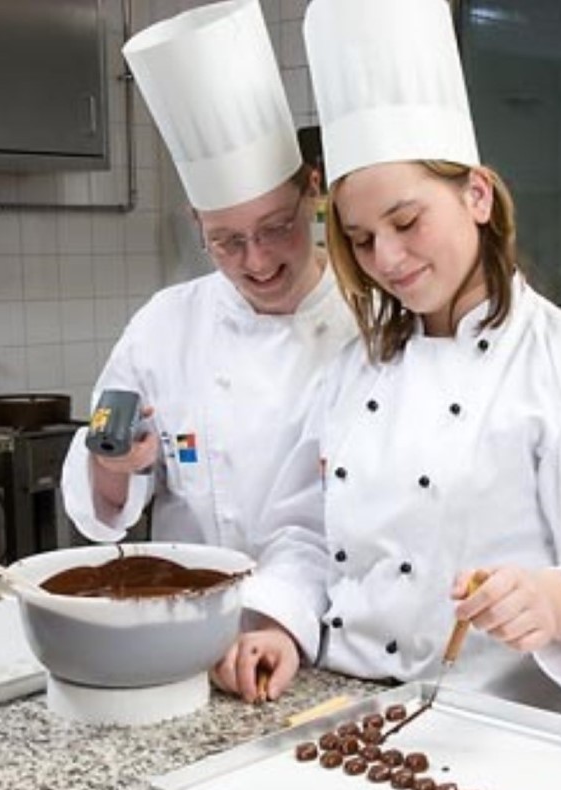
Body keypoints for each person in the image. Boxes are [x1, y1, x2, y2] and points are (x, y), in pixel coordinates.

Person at [230, 0, 561, 719]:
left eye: (407, 221)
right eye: (361, 239)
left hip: (509, 733)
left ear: (476, 195)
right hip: (343, 714)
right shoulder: (351, 372)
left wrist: (553, 599)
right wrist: (279, 625)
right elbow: (307, 535)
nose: (388, 259)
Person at [61, 0, 355, 700]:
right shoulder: (166, 324)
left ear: (311, 193)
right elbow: (104, 478)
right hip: (179, 646)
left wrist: (276, 620)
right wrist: (114, 463)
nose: (256, 260)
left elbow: (339, 523)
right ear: (196, 222)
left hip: (324, 647)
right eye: (225, 240)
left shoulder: (366, 324)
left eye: (276, 228)